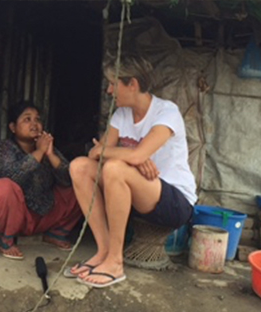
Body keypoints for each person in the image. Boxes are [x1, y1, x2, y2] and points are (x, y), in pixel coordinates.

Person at [68, 54, 197, 288]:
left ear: (132, 84)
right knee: (79, 167)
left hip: (175, 202)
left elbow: (118, 153)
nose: (108, 90)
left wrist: (128, 156)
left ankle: (116, 264)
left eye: (113, 83)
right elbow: (93, 155)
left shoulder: (167, 113)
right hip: (140, 193)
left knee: (115, 168)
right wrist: (131, 158)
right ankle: (104, 252)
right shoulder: (121, 115)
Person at [0, 101, 82, 259]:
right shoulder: (3, 148)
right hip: (11, 216)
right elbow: (12, 177)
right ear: (13, 127)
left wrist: (50, 154)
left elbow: (67, 180)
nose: (34, 124)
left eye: (37, 119)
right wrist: (39, 152)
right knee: (4, 186)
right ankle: (4, 238)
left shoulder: (47, 149)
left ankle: (55, 233)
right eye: (27, 119)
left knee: (81, 180)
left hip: (42, 216)